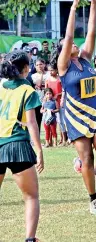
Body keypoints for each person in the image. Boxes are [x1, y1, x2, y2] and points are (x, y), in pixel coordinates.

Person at [57, 0, 96, 214]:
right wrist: (72, 8)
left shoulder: (86, 60)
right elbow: (69, 37)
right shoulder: (63, 66)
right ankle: (93, 200)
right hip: (75, 117)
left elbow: (92, 32)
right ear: (64, 50)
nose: (75, 45)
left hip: (95, 113)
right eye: (70, 45)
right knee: (86, 158)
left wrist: (95, 3)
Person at [0, 50, 44, 242]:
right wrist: (40, 150)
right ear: (26, 69)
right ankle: (29, 239)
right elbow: (32, 123)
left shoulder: (1, 87)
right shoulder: (28, 90)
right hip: (18, 145)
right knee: (31, 197)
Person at [45, 62, 67, 146]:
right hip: (50, 104)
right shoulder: (47, 80)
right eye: (49, 70)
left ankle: (64, 139)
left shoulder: (60, 79)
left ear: (56, 70)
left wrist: (57, 95)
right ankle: (49, 141)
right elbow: (46, 92)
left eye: (52, 70)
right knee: (49, 120)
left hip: (60, 102)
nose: (50, 72)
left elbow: (64, 90)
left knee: (61, 121)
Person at [31, 58, 49, 134]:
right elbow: (38, 84)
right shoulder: (34, 75)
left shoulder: (49, 73)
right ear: (35, 66)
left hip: (48, 98)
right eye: (37, 65)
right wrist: (42, 74)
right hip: (38, 99)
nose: (39, 66)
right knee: (38, 118)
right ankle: (37, 135)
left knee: (49, 119)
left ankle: (50, 139)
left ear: (44, 65)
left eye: (41, 64)